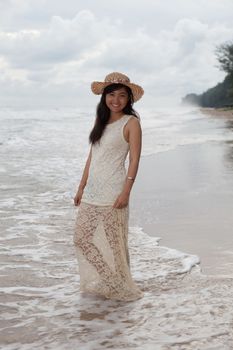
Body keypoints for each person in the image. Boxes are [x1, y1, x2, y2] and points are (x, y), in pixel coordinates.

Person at [73, 72, 144, 301]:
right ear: (104, 96)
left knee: (115, 244)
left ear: (128, 99)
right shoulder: (101, 121)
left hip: (114, 191)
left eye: (122, 96)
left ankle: (121, 286)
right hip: (93, 191)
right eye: (111, 95)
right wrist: (81, 187)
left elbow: (134, 160)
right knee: (81, 239)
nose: (116, 100)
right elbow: (92, 156)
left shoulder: (131, 123)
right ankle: (111, 280)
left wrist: (126, 192)